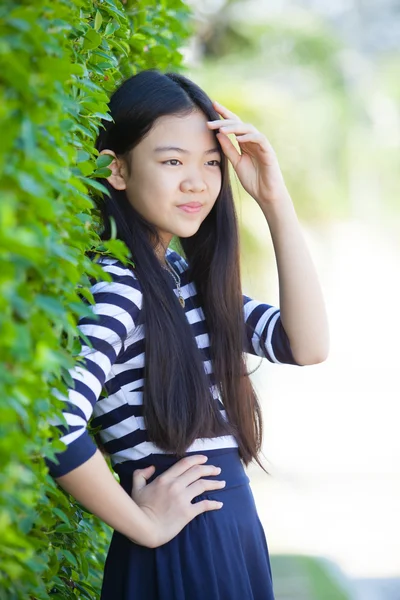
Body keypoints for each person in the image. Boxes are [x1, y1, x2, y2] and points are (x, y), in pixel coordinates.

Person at [45, 69, 329, 600]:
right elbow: (54, 422)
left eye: (211, 163)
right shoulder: (120, 289)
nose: (197, 181)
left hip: (227, 538)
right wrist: (144, 524)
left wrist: (273, 197)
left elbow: (306, 345)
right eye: (172, 161)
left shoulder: (182, 282)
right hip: (181, 550)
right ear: (118, 170)